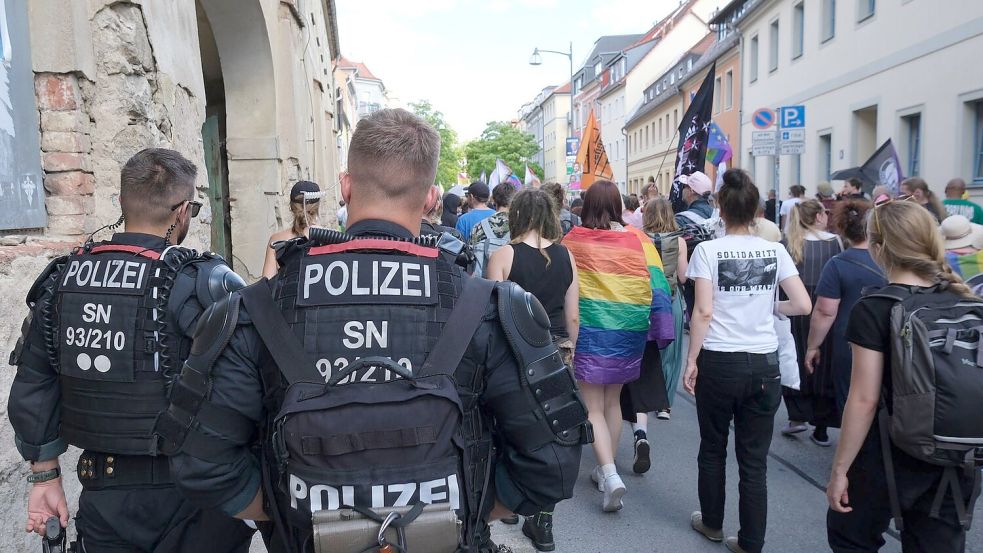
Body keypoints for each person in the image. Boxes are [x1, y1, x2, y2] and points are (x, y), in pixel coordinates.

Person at [161, 109, 588, 553]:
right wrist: (462, 509)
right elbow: (552, 465)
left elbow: (201, 465)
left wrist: (297, 513)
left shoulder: (254, 307)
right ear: (430, 198)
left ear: (346, 186)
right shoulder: (492, 308)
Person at [8, 148, 253, 552]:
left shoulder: (63, 279)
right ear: (183, 211)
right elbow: (249, 382)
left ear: (122, 201)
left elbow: (35, 381)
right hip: (198, 492)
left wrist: (45, 476)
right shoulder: (205, 281)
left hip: (106, 497)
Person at [827, 200, 980, 552]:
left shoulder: (875, 307)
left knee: (850, 537)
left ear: (879, 249)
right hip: (957, 456)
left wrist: (840, 469)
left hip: (886, 453)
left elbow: (864, 400)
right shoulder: (964, 299)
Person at [684, 168, 811, 553]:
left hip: (720, 360)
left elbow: (703, 312)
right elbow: (803, 304)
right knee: (754, 461)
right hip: (763, 364)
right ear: (757, 211)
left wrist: (692, 361)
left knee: (713, 446)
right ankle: (752, 540)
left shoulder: (708, 250)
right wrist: (770, 305)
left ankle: (712, 523)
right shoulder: (775, 251)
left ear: (719, 209)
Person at [562, 180, 675, 513]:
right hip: (629, 331)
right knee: (613, 400)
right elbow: (658, 286)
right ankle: (603, 467)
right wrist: (660, 328)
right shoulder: (638, 239)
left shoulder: (573, 241)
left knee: (591, 405)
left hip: (591, 333)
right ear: (616, 206)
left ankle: (609, 474)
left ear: (588, 204)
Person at [486, 187, 579, 552]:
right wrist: (571, 351)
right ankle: (543, 522)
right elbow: (572, 314)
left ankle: (507, 506)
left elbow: (492, 314)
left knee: (507, 428)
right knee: (552, 435)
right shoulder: (567, 255)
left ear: (517, 216)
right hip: (556, 354)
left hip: (515, 353)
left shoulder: (504, 254)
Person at [622, 198, 689, 474]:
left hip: (645, 300)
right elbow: (683, 277)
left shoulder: (640, 239)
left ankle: (642, 412)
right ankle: (664, 405)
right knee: (670, 355)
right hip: (671, 301)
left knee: (646, 356)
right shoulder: (680, 241)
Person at [804, 200, 884, 413]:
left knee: (852, 399)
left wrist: (813, 346)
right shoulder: (889, 260)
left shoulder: (837, 264)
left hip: (849, 341)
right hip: (888, 337)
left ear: (842, 228)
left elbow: (824, 311)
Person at [780, 199, 842, 446]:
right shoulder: (833, 242)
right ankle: (822, 425)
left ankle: (797, 416)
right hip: (825, 303)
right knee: (823, 362)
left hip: (795, 307)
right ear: (818, 216)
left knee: (793, 358)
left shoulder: (787, 243)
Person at [263, 180, 321, 278]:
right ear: (318, 206)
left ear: (291, 206)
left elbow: (266, 283)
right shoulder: (331, 237)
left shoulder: (276, 240)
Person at [470, 182, 516, 277]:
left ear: (493, 200)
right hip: (513, 283)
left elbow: (471, 256)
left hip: (484, 284)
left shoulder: (478, 227)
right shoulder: (520, 227)